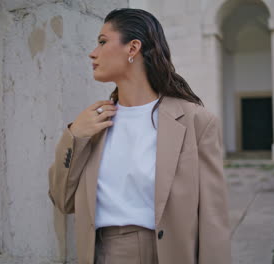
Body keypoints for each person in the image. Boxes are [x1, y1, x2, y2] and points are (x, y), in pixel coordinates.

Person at [48, 8, 232, 264]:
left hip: (169, 254)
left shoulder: (195, 121)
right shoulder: (93, 125)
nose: (93, 52)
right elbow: (62, 200)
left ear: (133, 48)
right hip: (103, 253)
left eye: (102, 42)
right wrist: (75, 136)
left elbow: (213, 221)